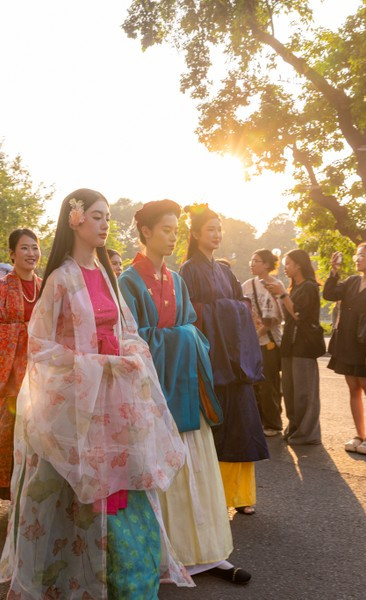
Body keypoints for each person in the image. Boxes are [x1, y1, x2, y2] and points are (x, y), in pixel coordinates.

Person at [0, 189, 190, 599]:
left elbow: (128, 331)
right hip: (77, 407)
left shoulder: (105, 273)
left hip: (114, 401)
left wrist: (133, 355)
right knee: (72, 495)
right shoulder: (61, 278)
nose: (105, 224)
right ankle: (74, 582)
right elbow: (40, 347)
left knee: (122, 488)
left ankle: (126, 583)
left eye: (106, 217)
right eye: (98, 216)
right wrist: (94, 365)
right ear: (75, 219)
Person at [120, 200, 250, 585]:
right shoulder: (127, 281)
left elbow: (192, 326)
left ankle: (210, 552)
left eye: (177, 230)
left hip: (187, 390)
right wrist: (183, 337)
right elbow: (129, 340)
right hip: (155, 393)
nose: (174, 236)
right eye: (166, 230)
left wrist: (183, 336)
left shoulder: (177, 280)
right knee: (167, 474)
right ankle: (167, 556)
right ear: (145, 232)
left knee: (199, 467)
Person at [179, 205, 269, 514]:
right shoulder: (188, 269)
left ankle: (243, 496)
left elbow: (241, 304)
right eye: (211, 230)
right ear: (195, 235)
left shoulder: (225, 270)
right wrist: (228, 309)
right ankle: (215, 497)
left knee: (243, 423)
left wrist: (234, 308)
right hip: (210, 357)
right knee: (217, 426)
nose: (217, 235)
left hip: (235, 359)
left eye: (220, 229)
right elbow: (189, 313)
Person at [0, 228, 42, 507]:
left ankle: (32, 485)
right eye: (25, 248)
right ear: (12, 254)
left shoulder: (45, 286)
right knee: (5, 428)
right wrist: (24, 330)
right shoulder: (1, 287)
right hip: (10, 376)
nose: (31, 254)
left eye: (35, 248)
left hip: (39, 371)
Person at [323, 244, 366, 455]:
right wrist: (333, 272)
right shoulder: (352, 281)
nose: (357, 258)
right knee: (353, 387)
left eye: (362, 255)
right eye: (356, 255)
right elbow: (329, 294)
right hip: (347, 341)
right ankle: (359, 434)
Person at [265, 249, 325, 446]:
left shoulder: (309, 287)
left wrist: (282, 294)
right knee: (290, 391)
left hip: (304, 345)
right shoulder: (295, 288)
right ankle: (295, 428)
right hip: (290, 344)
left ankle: (307, 433)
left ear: (298, 264)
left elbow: (299, 315)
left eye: (288, 263)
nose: (285, 267)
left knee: (304, 393)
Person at [243, 249, 284, 437]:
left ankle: (273, 423)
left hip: (268, 342)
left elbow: (274, 319)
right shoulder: (246, 286)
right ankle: (258, 421)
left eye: (256, 260)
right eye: (251, 260)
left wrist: (256, 334)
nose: (252, 263)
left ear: (267, 264)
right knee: (253, 384)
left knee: (269, 384)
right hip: (252, 342)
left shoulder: (275, 285)